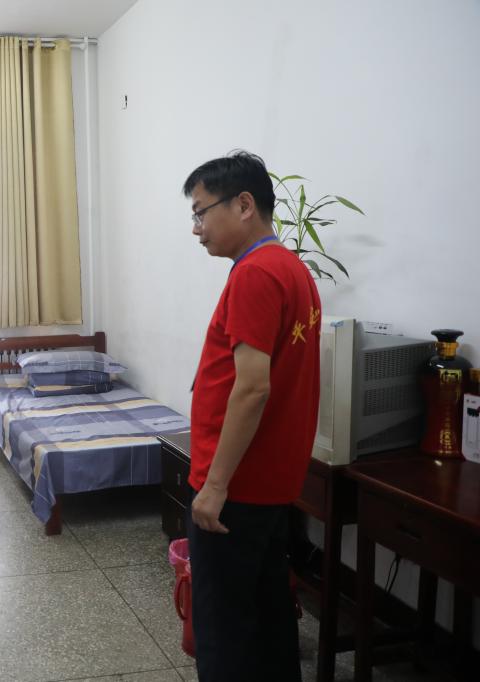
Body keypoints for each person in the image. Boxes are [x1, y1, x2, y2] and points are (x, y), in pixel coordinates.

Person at [183, 151, 321, 682]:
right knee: (268, 620)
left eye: (201, 212)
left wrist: (215, 486)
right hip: (268, 482)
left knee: (223, 630)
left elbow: (253, 388)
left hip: (235, 488)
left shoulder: (255, 274)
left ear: (243, 205)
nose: (196, 228)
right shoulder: (292, 268)